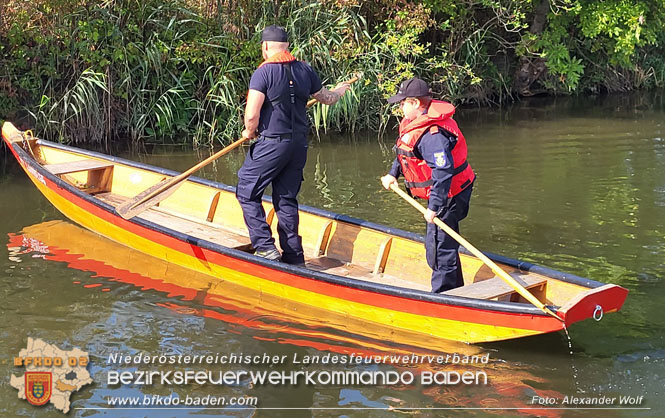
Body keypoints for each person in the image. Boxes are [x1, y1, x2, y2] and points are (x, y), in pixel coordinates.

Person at [237, 25, 350, 264]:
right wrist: (339, 91)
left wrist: (249, 131)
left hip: (272, 143)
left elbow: (251, 114)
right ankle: (293, 255)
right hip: (298, 145)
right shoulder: (304, 69)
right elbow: (327, 99)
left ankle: (265, 247)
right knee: (286, 198)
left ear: (265, 47)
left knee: (247, 192)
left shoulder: (263, 73)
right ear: (287, 46)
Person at [380, 77, 475, 292]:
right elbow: (406, 151)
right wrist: (393, 173)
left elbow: (443, 171)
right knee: (441, 241)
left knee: (440, 247)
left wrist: (434, 207)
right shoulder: (415, 127)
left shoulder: (433, 136)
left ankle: (445, 294)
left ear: (415, 103)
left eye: (402, 103)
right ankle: (456, 288)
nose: (400, 107)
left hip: (451, 193)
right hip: (444, 192)